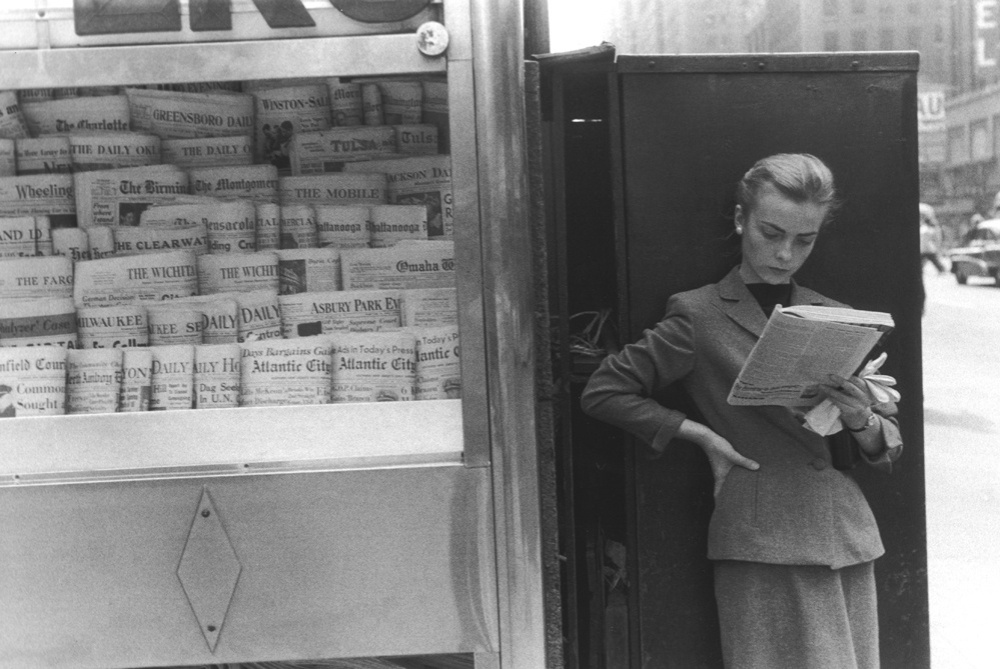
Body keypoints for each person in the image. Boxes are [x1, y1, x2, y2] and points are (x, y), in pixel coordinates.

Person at [581, 153, 903, 669]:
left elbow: (885, 447)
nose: (785, 254)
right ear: (739, 220)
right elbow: (604, 391)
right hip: (761, 535)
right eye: (771, 232)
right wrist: (700, 436)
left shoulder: (838, 317)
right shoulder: (699, 313)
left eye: (804, 240)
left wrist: (861, 417)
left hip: (845, 534)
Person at [919, 203, 946, 274]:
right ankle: (942, 269)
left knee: (934, 260)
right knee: (932, 260)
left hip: (927, 248)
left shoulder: (928, 229)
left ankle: (942, 270)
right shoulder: (926, 228)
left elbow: (935, 238)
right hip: (926, 248)